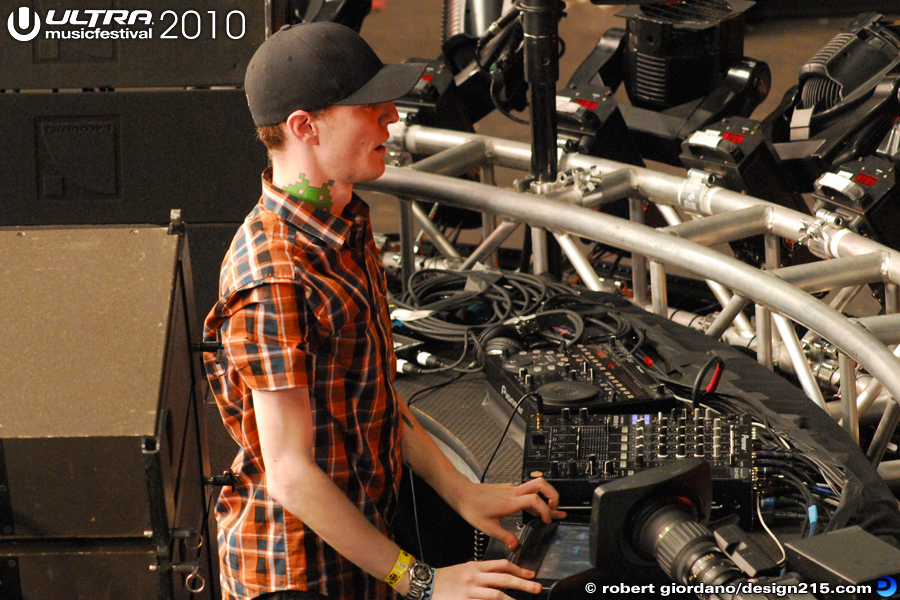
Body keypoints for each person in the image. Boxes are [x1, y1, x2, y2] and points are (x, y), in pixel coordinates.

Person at [202, 21, 566, 600]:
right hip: (296, 578)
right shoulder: (271, 275)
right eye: (370, 107)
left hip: (360, 557)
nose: (392, 118)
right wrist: (420, 582)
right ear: (305, 127)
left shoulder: (344, 221)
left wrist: (460, 490)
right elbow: (290, 474)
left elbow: (375, 393)